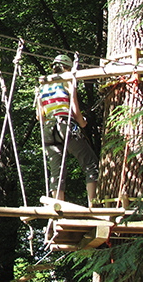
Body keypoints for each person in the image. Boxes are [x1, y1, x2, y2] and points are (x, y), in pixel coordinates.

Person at [36, 54, 99, 206]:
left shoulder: (43, 86)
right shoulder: (67, 81)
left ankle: (58, 210)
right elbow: (75, 109)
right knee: (91, 165)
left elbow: (40, 116)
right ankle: (93, 205)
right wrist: (82, 123)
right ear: (68, 68)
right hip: (65, 124)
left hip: (49, 129)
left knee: (56, 172)